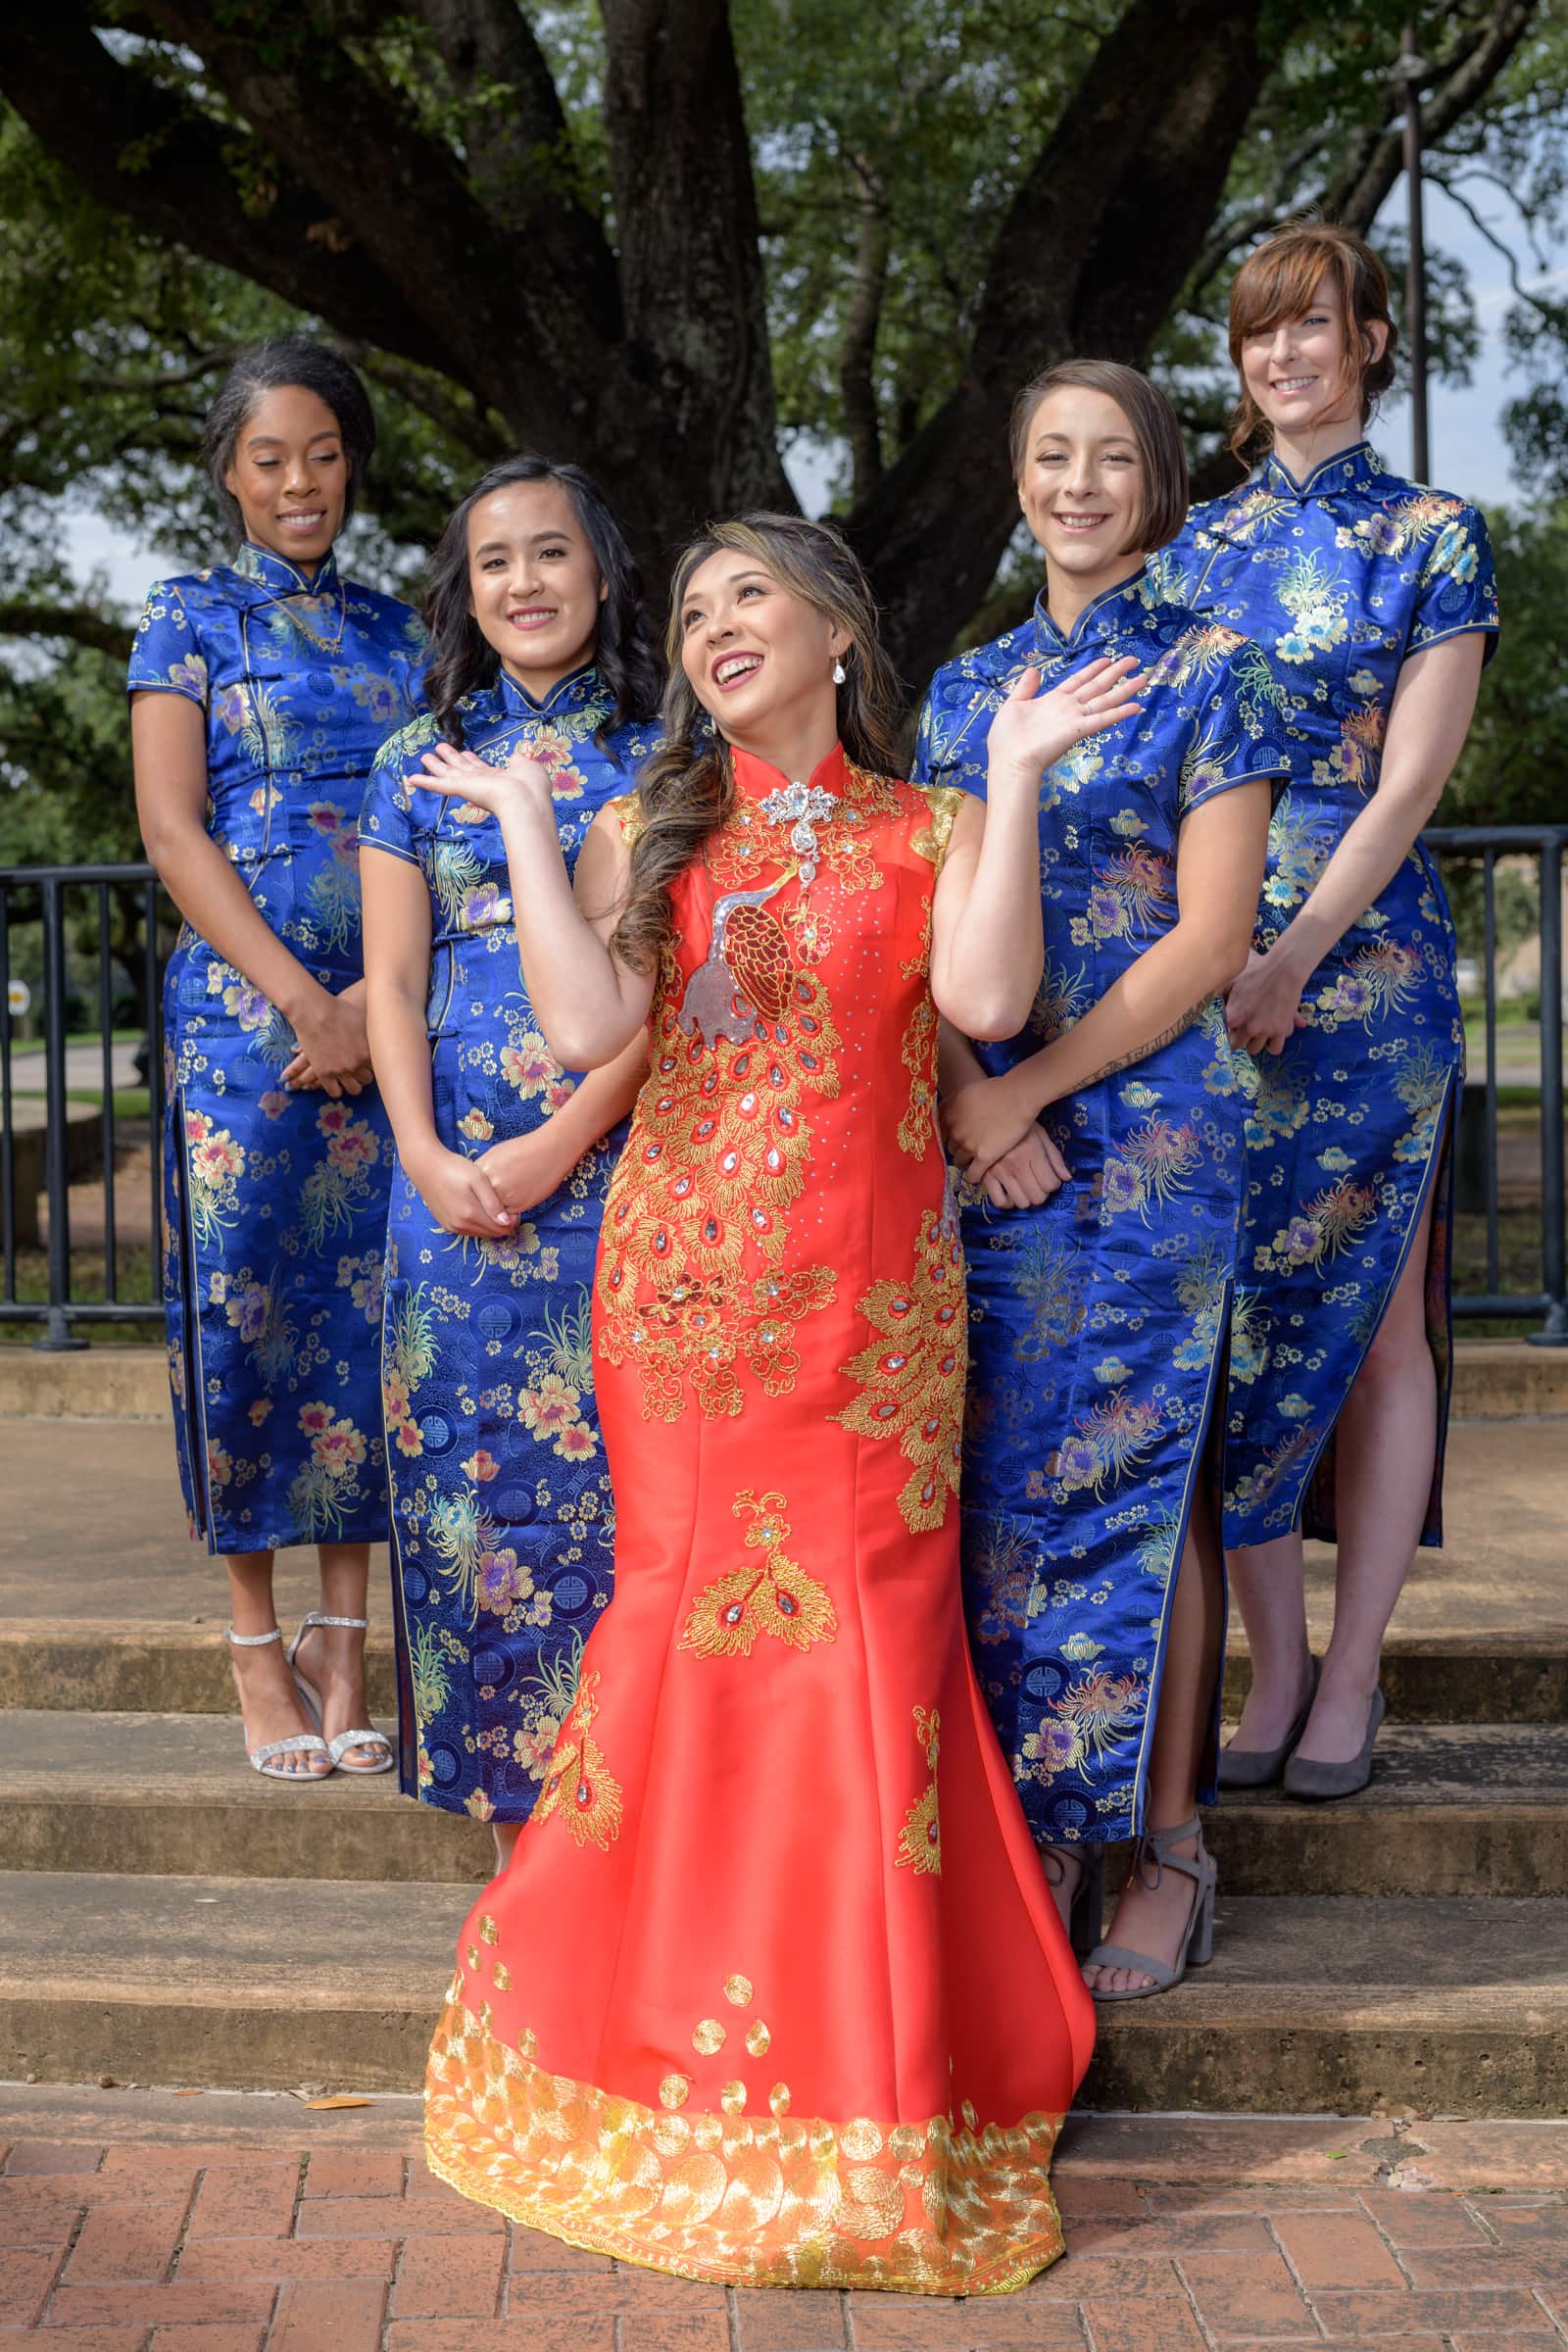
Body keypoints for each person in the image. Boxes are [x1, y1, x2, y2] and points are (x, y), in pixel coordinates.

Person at [412, 514, 1146, 2290]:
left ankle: (872, 2079)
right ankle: (639, 2046)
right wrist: (523, 829)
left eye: (749, 592)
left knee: (871, 1651)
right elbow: (591, 1037)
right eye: (689, 609)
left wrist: (1027, 775)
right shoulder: (647, 830)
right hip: (678, 1308)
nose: (713, 624)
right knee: (681, 1638)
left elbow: (980, 999)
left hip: (871, 1326)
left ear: (835, 629)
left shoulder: (938, 823)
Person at [914, 362, 1282, 1998]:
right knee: (1004, 1483)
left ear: (1162, 478)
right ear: (1014, 478)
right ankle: (1045, 1828)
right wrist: (967, 1100)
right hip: (990, 1136)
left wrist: (1030, 1091)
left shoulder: (1220, 668)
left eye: (1113, 456)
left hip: (1155, 1132)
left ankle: (1170, 1843)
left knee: (1151, 1483)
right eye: (1051, 452)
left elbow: (1210, 940)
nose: (1079, 483)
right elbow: (912, 940)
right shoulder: (964, 689)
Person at [1163, 221, 1499, 1800]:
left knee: (1373, 1334)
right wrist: (1203, 957)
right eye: (1258, 333)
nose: (1285, 354)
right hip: (1199, 973)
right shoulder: (1186, 552)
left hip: (1360, 974)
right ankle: (1273, 1663)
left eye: (1315, 326)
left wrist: (1290, 951)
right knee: (1227, 1324)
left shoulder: (1435, 534)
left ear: (1370, 339)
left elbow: (1411, 778)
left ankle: (1354, 1669)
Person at [130, 338, 425, 1783]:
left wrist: (374, 1001)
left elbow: (438, 823)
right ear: (228, 474)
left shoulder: (406, 630)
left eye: (319, 452)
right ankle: (253, 1641)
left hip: (389, 1022)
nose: (298, 482)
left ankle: (345, 1638)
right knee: (248, 1317)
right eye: (268, 458)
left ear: (351, 459)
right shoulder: (183, 619)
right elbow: (175, 831)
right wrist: (308, 1002)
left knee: (368, 1319)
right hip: (248, 1034)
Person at [360, 456, 661, 1865]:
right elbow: (392, 985)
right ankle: (507, 1847)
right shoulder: (411, 762)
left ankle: (623, 1836)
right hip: (445, 1190)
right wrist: (422, 1151)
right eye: (495, 562)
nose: (525, 583)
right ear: (465, 593)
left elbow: (661, 1002)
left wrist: (556, 1144)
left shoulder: (673, 753)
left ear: (602, 571)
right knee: (460, 1491)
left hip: (618, 1171)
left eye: (552, 553)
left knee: (620, 1490)